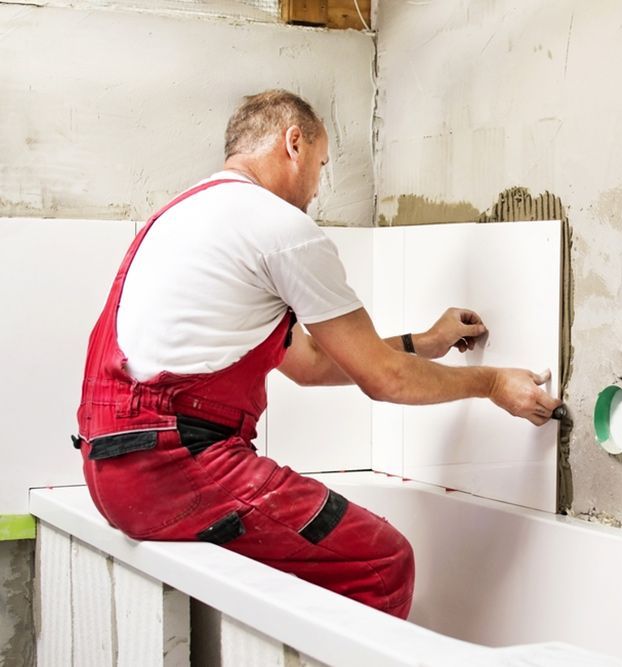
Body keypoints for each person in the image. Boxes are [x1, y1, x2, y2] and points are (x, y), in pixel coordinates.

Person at [74, 90, 561, 619]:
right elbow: (385, 381)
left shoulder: (185, 215)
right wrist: (491, 384)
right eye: (322, 165)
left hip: (116, 467)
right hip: (176, 467)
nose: (317, 189)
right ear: (294, 143)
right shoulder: (280, 229)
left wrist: (424, 342)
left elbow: (307, 363)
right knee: (380, 563)